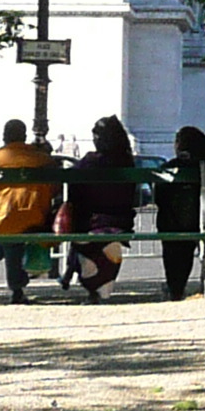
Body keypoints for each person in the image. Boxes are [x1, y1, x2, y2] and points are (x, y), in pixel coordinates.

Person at [54, 115, 144, 301]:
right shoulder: (127, 161)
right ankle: (75, 275)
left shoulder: (91, 161)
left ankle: (73, 273)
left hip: (92, 222)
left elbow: (73, 187)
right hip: (121, 221)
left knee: (78, 222)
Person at [0, 119, 61, 304]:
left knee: (10, 230)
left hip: (2, 219)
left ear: (4, 137)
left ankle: (15, 286)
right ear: (24, 137)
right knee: (19, 226)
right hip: (36, 216)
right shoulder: (43, 159)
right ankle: (12, 281)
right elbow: (55, 189)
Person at [157, 125, 205, 299]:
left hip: (172, 224)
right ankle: (192, 285)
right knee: (189, 238)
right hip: (202, 224)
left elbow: (159, 199)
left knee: (174, 245)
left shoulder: (169, 167)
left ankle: (175, 288)